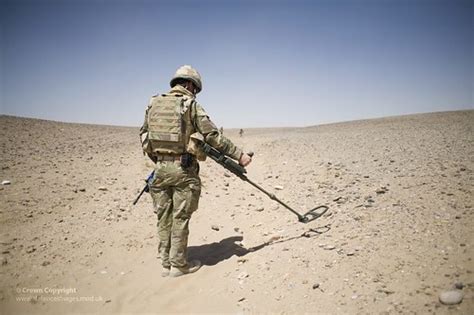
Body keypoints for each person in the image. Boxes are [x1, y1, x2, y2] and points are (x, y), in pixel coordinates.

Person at [139, 65, 252, 277]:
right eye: (195, 89)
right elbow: (212, 136)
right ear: (190, 84)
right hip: (183, 170)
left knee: (164, 217)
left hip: (159, 170)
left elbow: (144, 135)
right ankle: (179, 266)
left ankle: (166, 263)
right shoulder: (190, 105)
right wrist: (239, 155)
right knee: (180, 217)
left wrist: (161, 160)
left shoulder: (153, 103)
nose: (195, 92)